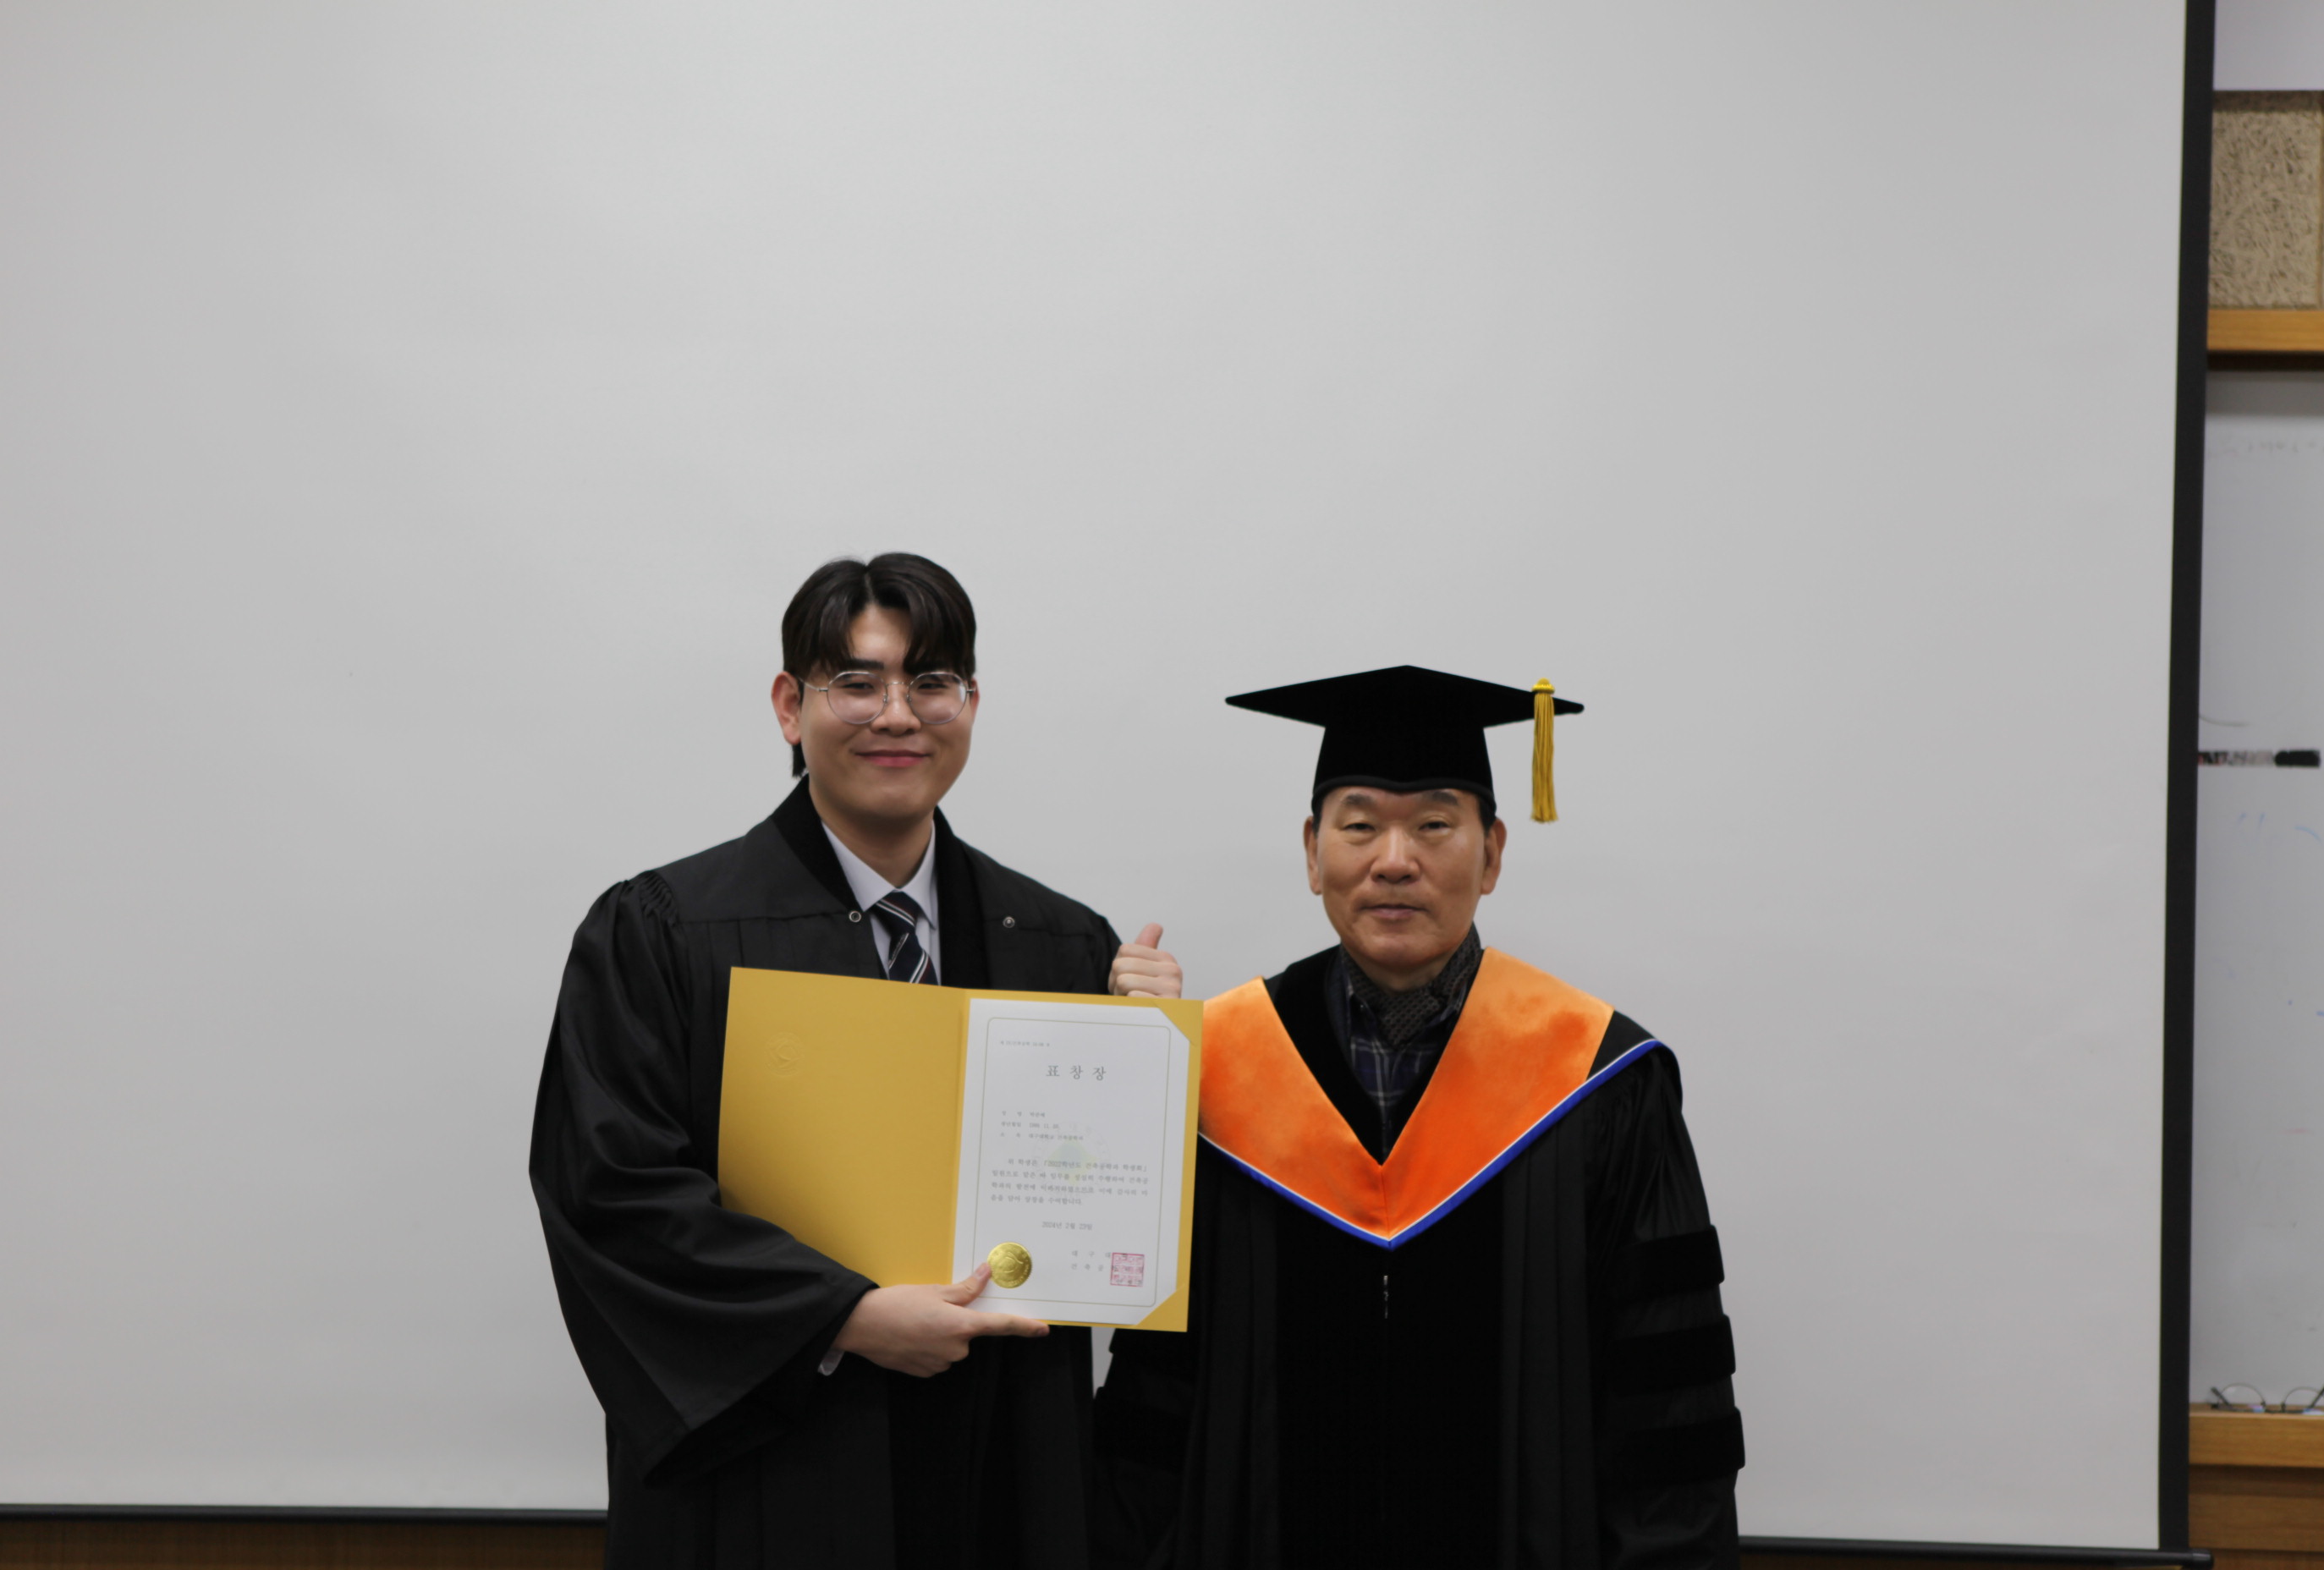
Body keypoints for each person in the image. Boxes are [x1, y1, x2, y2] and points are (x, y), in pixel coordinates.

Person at [530, 552, 1163, 1570]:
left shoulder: (1062, 943)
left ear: (971, 703)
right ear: (791, 706)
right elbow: (612, 1192)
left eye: (932, 681)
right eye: (858, 682)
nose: (898, 714)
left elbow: (1104, 1217)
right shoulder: (662, 929)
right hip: (776, 1472)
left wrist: (1143, 1058)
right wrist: (844, 1317)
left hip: (998, 1458)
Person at [1093, 665, 1743, 1570]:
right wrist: (1124, 1071)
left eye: (1435, 825)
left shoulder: (1601, 1077)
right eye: (1359, 825)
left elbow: (1665, 1397)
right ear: (1313, 851)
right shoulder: (1216, 1070)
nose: (1394, 859)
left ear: (1492, 854)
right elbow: (1157, 1398)